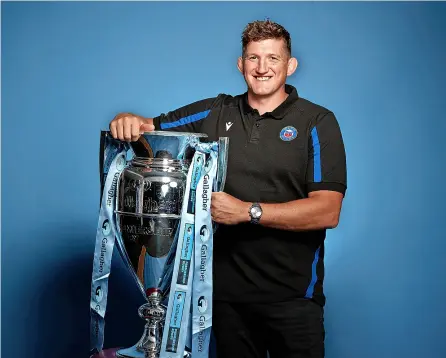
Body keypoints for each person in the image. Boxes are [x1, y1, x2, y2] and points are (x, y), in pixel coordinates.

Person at [109, 19, 347, 358]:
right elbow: (146, 126)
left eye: (273, 58)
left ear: (290, 66)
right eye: (253, 58)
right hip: (223, 300)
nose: (262, 68)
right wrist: (125, 118)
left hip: (293, 299)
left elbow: (328, 209)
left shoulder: (317, 122)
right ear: (241, 64)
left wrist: (247, 211)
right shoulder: (215, 111)